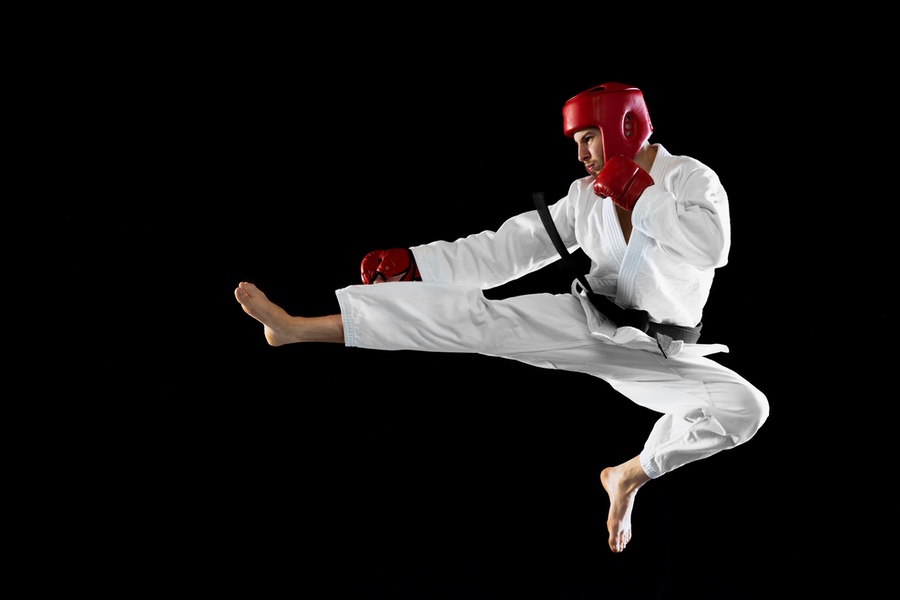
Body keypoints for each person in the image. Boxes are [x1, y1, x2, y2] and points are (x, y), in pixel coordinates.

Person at [234, 82, 769, 553]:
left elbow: (713, 246)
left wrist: (639, 193)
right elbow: (509, 248)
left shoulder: (688, 178)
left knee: (746, 410)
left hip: (661, 352)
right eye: (576, 142)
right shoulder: (585, 196)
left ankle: (627, 476)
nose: (581, 154)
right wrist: (419, 265)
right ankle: (296, 328)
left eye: (588, 137)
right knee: (477, 321)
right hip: (590, 323)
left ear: (625, 125)